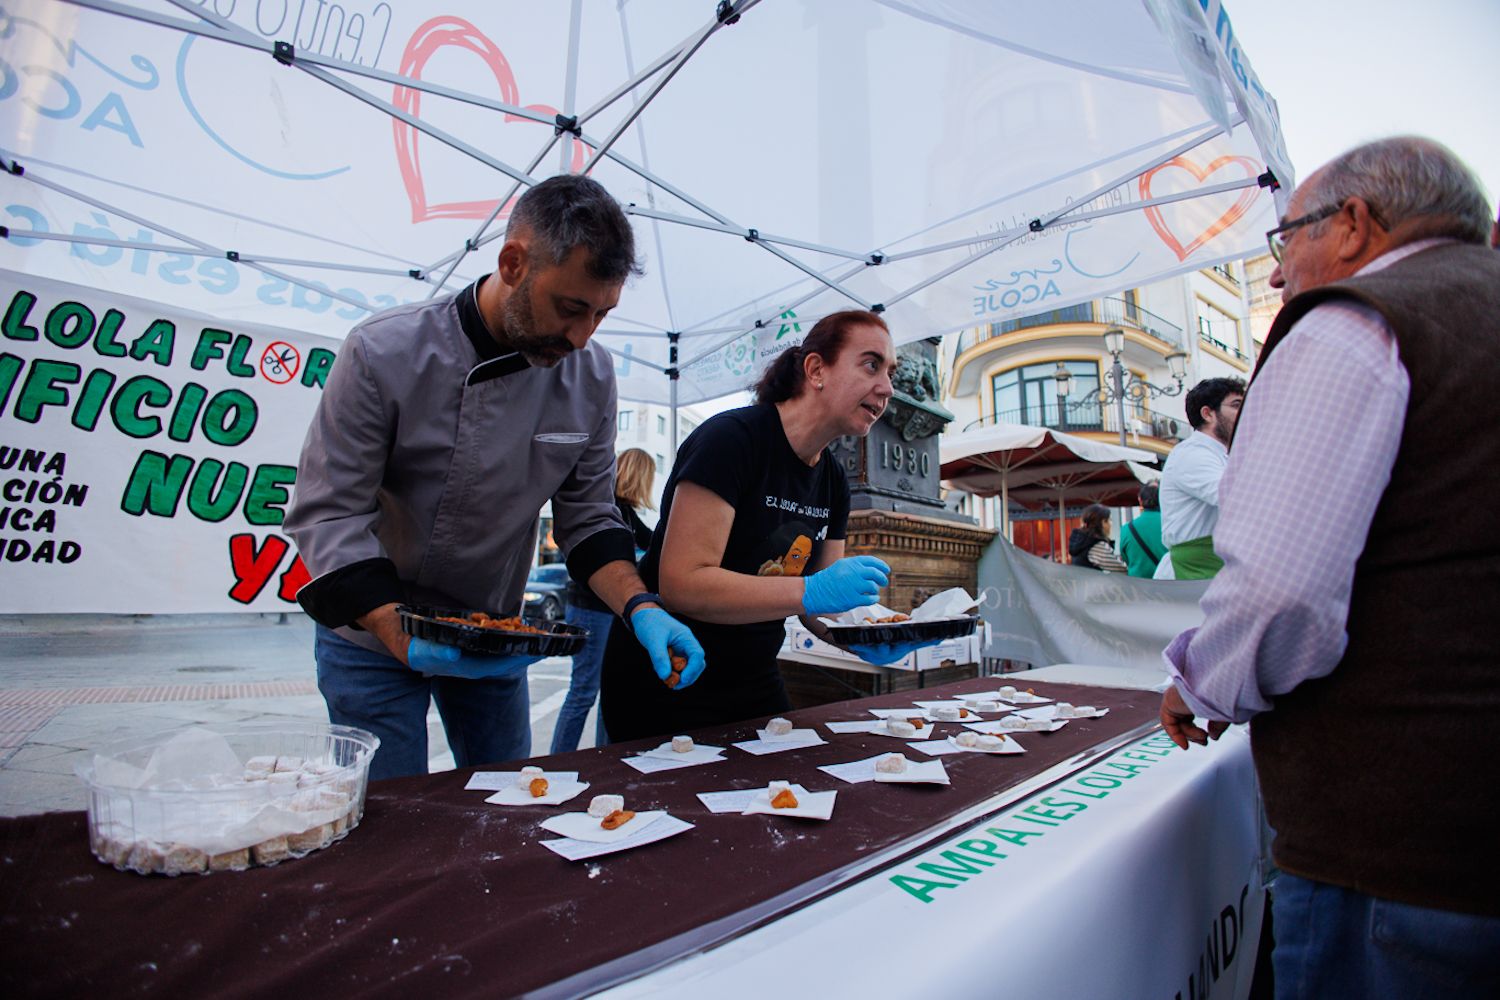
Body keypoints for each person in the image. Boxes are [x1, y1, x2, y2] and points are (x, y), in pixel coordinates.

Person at [1158, 137, 1500, 996]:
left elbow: (1280, 590)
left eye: (1287, 239)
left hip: (1400, 853)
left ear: (1352, 225)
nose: (1277, 275)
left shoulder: (1354, 321)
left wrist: (1202, 681)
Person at [284, 175, 704, 781]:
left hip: (494, 634)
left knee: (509, 802)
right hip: (370, 633)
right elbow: (330, 513)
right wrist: (396, 631)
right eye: (570, 308)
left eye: (601, 315)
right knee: (391, 821)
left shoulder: (591, 376)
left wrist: (640, 607)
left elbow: (588, 520)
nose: (583, 336)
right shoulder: (383, 353)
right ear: (513, 263)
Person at [600, 310, 920, 743]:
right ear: (816, 369)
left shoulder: (833, 480)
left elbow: (821, 609)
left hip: (754, 681)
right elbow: (682, 582)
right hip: (668, 676)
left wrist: (866, 635)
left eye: (891, 372)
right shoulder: (731, 441)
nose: (887, 388)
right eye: (871, 364)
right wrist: (811, 590)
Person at [550, 447, 656, 753]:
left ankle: (604, 758)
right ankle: (557, 763)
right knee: (583, 691)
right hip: (590, 608)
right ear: (640, 478)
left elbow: (656, 544)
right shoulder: (608, 513)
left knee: (608, 691)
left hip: (610, 611)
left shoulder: (628, 516)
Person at [1156, 376, 1244, 579]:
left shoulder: (1221, 455)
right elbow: (1232, 495)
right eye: (1236, 405)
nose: (1244, 413)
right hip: (1196, 570)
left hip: (1214, 564)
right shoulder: (1192, 454)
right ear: (1208, 414)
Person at [1118, 481, 1164, 578]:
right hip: (1170, 584)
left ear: (1140, 500)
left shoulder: (1127, 529)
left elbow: (1126, 558)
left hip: (1138, 587)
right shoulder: (1170, 524)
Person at [1067, 504, 1128, 572]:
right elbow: (1121, 568)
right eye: (1110, 520)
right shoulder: (1096, 545)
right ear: (1103, 522)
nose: (1111, 524)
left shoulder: (1081, 542)